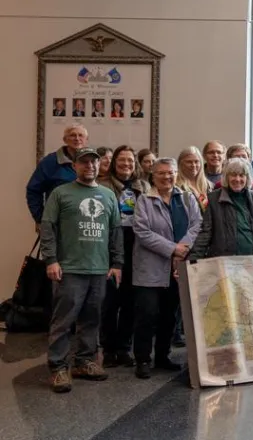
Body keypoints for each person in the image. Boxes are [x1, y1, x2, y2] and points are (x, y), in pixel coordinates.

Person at [40, 147, 123, 393]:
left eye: (94, 163)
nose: (90, 167)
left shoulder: (108, 195)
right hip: (69, 269)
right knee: (63, 321)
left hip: (98, 269)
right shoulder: (61, 193)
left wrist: (117, 264)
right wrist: (51, 260)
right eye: (84, 163)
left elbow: (116, 232)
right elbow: (47, 227)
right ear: (75, 166)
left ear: (99, 166)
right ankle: (58, 368)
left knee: (91, 319)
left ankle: (84, 362)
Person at [132, 157, 201, 378]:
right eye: (161, 173)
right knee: (147, 314)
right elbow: (142, 232)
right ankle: (142, 359)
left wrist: (184, 248)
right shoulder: (144, 200)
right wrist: (173, 249)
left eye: (170, 172)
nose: (167, 177)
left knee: (169, 316)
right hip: (151, 269)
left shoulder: (187, 198)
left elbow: (197, 224)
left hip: (177, 269)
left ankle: (163, 356)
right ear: (153, 176)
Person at [98, 146, 146, 367]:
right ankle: (108, 349)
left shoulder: (143, 186)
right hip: (111, 249)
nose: (126, 164)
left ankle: (124, 347)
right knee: (109, 302)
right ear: (114, 162)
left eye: (130, 160)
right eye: (121, 160)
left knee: (130, 302)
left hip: (137, 249)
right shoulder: (103, 186)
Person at [190, 158, 253, 259]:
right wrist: (191, 261)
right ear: (226, 177)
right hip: (226, 263)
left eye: (241, 175)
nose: (237, 179)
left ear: (247, 178)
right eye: (233, 175)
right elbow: (205, 234)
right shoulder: (214, 199)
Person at [27, 124, 86, 226]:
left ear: (86, 139)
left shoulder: (92, 161)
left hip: (86, 222)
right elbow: (33, 190)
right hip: (58, 223)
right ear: (65, 140)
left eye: (81, 135)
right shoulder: (50, 162)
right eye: (72, 135)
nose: (77, 139)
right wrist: (40, 218)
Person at [175, 146, 210, 211]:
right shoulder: (177, 187)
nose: (193, 165)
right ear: (181, 164)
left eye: (196, 161)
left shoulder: (209, 185)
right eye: (189, 162)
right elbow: (187, 210)